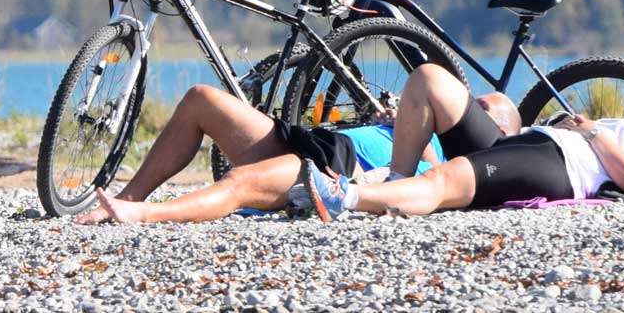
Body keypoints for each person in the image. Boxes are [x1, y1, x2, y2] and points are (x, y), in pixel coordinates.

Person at [289, 63, 624, 218]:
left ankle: (345, 196)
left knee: (448, 179)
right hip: (532, 143)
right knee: (430, 79)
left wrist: (592, 132)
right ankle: (395, 181)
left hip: (558, 169)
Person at [81, 80, 490, 225]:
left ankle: (143, 215)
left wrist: (412, 133)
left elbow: (430, 182)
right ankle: (129, 196)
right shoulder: (410, 117)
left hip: (335, 165)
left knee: (240, 182)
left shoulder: (449, 154)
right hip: (313, 140)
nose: (476, 106)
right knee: (200, 99)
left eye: (486, 108)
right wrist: (393, 119)